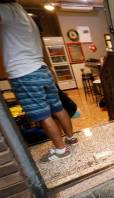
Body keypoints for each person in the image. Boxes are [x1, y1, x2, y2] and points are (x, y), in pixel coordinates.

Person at [0, 1, 78, 163]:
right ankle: (71, 139)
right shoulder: (23, 14)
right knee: (57, 107)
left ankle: (60, 150)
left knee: (42, 115)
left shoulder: (4, 10)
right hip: (41, 69)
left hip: (24, 73)